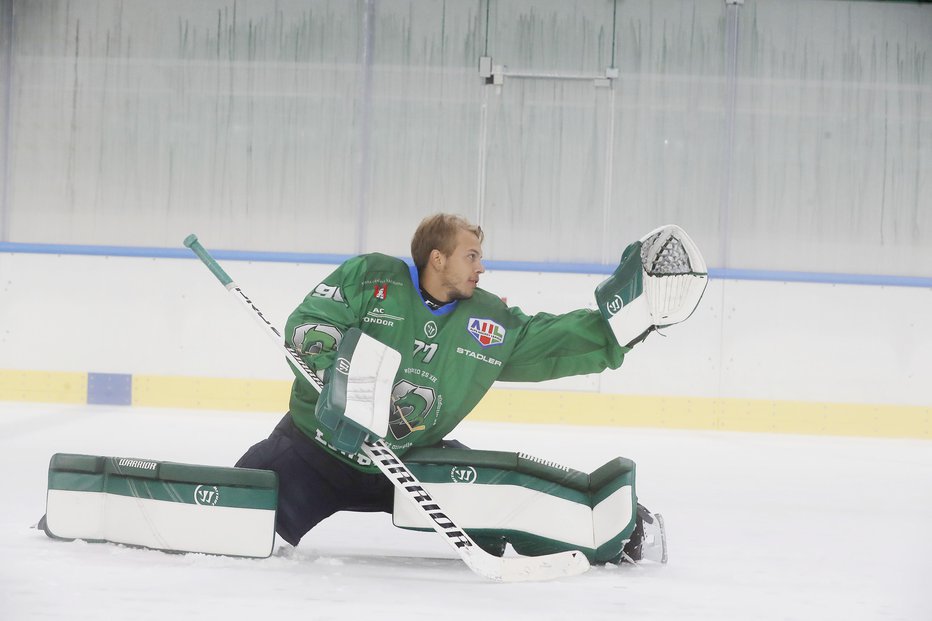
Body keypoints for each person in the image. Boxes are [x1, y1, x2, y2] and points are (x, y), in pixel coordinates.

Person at [236, 213, 707, 561]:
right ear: (437, 258)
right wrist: (347, 385)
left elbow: (547, 342)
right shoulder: (371, 279)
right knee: (235, 515)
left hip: (410, 460)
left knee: (503, 495)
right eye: (472, 256)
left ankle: (621, 530)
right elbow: (310, 326)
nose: (481, 267)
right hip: (312, 452)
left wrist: (622, 324)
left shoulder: (487, 321)